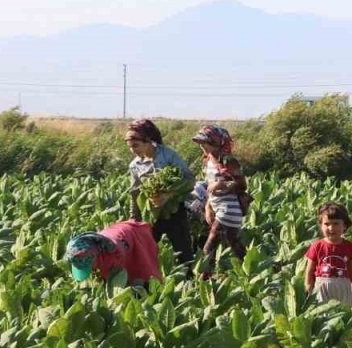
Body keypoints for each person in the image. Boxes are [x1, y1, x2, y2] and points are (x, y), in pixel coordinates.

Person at [125, 119, 195, 266]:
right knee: (146, 253)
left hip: (175, 212)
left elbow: (189, 180)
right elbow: (135, 193)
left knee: (184, 254)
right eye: (130, 147)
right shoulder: (135, 165)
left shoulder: (168, 155)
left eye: (136, 146)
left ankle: (190, 282)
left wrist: (167, 195)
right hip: (151, 215)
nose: (133, 150)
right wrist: (134, 219)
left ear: (148, 141)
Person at [191, 125, 248, 279]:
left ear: (217, 143)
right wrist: (209, 207)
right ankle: (256, 271)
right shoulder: (208, 160)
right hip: (218, 207)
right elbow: (210, 189)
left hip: (230, 209)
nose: (202, 146)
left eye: (205, 142)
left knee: (209, 246)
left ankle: (204, 279)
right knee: (234, 244)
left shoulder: (228, 160)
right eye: (200, 142)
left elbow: (242, 185)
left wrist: (220, 184)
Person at [66, 221, 162, 287]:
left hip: (135, 238)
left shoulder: (111, 261)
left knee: (142, 273)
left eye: (89, 267)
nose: (90, 271)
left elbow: (118, 285)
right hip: (121, 231)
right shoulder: (93, 241)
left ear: (94, 258)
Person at [305, 202, 352, 306]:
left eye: (336, 223)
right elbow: (309, 271)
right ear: (321, 226)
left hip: (343, 286)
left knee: (344, 315)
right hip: (322, 286)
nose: (331, 228)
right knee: (323, 315)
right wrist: (308, 288)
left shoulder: (349, 246)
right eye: (327, 224)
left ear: (344, 225)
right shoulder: (316, 246)